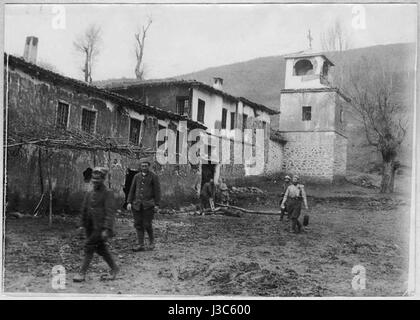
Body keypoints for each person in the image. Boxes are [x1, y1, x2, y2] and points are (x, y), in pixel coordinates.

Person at [73, 167, 119, 282]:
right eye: (93, 178)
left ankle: (82, 273)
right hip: (90, 226)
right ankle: (114, 268)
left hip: (100, 227)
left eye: (98, 179)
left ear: (103, 179)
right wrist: (81, 225)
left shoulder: (108, 193)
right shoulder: (89, 193)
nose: (95, 181)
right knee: (101, 249)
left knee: (89, 246)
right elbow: (84, 209)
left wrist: (107, 229)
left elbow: (110, 212)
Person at [127, 157, 161, 252]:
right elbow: (132, 190)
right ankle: (140, 244)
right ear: (140, 167)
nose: (144, 167)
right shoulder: (136, 177)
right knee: (138, 224)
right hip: (137, 205)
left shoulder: (153, 176)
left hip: (148, 205)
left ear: (149, 166)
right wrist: (129, 202)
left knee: (147, 224)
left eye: (146, 166)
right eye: (142, 166)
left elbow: (157, 191)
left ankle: (151, 242)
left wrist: (157, 204)